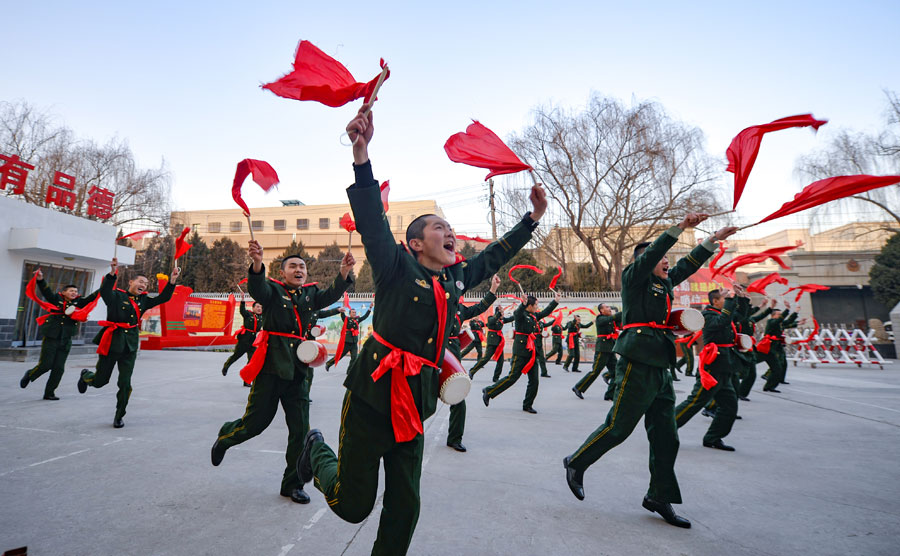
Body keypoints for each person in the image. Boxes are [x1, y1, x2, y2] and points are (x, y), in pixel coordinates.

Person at [298, 106, 546, 556]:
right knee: (353, 506)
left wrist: (531, 219)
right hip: (373, 398)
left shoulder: (453, 279)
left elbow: (492, 258)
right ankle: (314, 450)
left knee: (405, 509)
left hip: (415, 402)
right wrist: (361, 155)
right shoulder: (395, 266)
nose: (450, 233)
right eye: (439, 228)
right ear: (416, 243)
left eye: (451, 228)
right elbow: (372, 219)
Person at [563, 215, 737, 529]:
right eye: (663, 260)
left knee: (667, 437)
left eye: (669, 262)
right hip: (637, 360)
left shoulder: (664, 282)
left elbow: (689, 264)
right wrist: (678, 228)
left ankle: (659, 495)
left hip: (661, 364)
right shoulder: (633, 277)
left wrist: (713, 238)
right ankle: (576, 462)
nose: (668, 264)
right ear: (647, 261)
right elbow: (656, 253)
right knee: (618, 427)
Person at [210, 245, 354, 505]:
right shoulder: (273, 291)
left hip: (299, 373)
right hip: (271, 368)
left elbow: (331, 294)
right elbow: (258, 289)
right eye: (293, 266)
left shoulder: (310, 294)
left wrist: (343, 273)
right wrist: (256, 264)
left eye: (302, 267)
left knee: (300, 432)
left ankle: (292, 485)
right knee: (255, 424)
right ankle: (226, 437)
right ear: (282, 271)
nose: (298, 270)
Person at [77, 258, 178, 427]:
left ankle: (119, 415)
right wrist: (112, 273)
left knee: (125, 384)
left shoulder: (144, 300)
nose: (143, 285)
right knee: (101, 381)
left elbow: (164, 298)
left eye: (146, 283)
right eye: (140, 282)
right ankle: (87, 376)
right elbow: (105, 291)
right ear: (131, 282)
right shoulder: (116, 296)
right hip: (112, 343)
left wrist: (172, 280)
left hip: (129, 346)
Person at [673, 288, 747, 451]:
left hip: (724, 366)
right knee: (695, 402)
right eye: (723, 298)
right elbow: (723, 322)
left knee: (729, 406)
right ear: (715, 301)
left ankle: (713, 438)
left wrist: (741, 299)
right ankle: (664, 429)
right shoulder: (707, 315)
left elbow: (739, 317)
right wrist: (730, 301)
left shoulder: (722, 314)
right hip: (712, 367)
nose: (726, 300)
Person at [20, 269, 100, 400]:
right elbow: (46, 292)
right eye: (71, 291)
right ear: (63, 293)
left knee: (59, 369)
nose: (74, 293)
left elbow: (93, 296)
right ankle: (30, 374)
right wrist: (40, 279)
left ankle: (49, 393)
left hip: (66, 339)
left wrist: (107, 283)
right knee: (46, 365)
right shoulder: (56, 299)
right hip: (51, 337)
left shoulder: (79, 302)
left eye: (75, 291)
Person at [447, 275, 500, 452]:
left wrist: (492, 289)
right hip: (433, 356)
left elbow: (479, 307)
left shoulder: (460, 310)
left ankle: (454, 438)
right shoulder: (435, 306)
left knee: (458, 398)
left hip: (453, 358)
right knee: (423, 399)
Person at [482, 292, 559, 413]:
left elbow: (545, 313)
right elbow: (517, 312)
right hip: (521, 351)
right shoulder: (521, 314)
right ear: (530, 306)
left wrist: (555, 301)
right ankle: (489, 391)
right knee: (512, 378)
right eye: (536, 305)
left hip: (532, 352)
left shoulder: (534, 316)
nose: (537, 307)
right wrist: (522, 304)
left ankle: (527, 404)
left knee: (534, 381)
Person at [574, 304, 621, 399]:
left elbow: (620, 323)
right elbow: (612, 318)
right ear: (601, 310)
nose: (609, 309)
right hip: (602, 349)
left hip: (610, 348)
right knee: (595, 371)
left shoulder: (610, 320)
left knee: (616, 372)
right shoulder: (600, 318)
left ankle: (609, 395)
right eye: (607, 307)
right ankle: (578, 387)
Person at [736, 299, 773, 400]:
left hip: (749, 349)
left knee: (751, 374)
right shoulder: (740, 319)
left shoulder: (750, 320)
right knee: (738, 374)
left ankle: (741, 393)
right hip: (739, 349)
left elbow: (760, 316)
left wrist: (768, 307)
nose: (751, 309)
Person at [222, 298, 264, 385]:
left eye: (260, 307)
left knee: (252, 362)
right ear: (253, 308)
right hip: (244, 341)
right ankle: (226, 366)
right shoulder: (248, 314)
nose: (259, 308)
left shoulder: (262, 317)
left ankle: (246, 380)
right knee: (236, 356)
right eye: (257, 307)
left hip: (254, 343)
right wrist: (242, 301)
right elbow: (242, 310)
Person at [759, 303, 799, 392]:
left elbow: (788, 322)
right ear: (773, 315)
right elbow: (780, 320)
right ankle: (739, 373)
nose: (781, 316)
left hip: (774, 348)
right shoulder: (771, 322)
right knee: (751, 363)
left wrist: (796, 312)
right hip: (767, 347)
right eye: (779, 314)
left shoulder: (778, 323)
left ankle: (769, 386)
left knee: (777, 368)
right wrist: (787, 310)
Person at [468, 306, 514, 381]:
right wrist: (498, 314)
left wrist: (521, 310)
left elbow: (511, 318)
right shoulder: (491, 318)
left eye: (502, 312)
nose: (503, 314)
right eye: (501, 312)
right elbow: (492, 321)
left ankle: (496, 377)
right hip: (492, 342)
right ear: (497, 312)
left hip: (499, 342)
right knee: (485, 359)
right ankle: (472, 371)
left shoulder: (502, 320)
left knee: (500, 361)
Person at [325, 305, 372, 371]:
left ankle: (349, 371)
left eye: (355, 312)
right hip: (347, 342)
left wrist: (369, 308)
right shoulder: (346, 319)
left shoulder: (357, 319)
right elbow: (342, 315)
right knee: (339, 356)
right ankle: (328, 364)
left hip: (354, 342)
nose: (354, 313)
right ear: (350, 313)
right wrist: (341, 310)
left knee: (354, 358)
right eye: (353, 312)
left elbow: (365, 317)